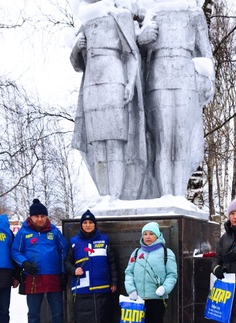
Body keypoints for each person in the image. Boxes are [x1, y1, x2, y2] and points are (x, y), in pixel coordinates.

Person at [137, 0, 214, 198]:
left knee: (181, 140)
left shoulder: (194, 12)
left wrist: (208, 80)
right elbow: (137, 51)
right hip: (158, 76)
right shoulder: (152, 12)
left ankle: (178, 195)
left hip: (185, 76)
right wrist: (142, 39)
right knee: (162, 141)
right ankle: (164, 196)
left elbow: (205, 52)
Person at [70, 0, 146, 200]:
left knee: (114, 141)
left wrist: (130, 83)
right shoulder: (86, 21)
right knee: (97, 143)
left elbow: (131, 55)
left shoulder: (120, 15)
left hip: (114, 77)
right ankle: (104, 195)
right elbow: (77, 65)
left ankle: (116, 195)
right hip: (91, 82)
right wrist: (77, 48)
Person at [11, 199, 71, 323]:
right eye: (36, 216)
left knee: (57, 312)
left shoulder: (54, 232)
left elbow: (64, 251)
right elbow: (15, 251)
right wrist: (24, 263)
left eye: (43, 215)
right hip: (33, 277)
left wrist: (63, 271)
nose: (40, 219)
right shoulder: (23, 232)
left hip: (53, 276)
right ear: (31, 217)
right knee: (34, 313)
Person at [124, 221, 178, 323]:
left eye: (151, 234)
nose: (148, 237)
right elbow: (128, 273)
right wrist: (131, 290)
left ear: (158, 235)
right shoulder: (136, 252)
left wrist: (164, 288)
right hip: (139, 298)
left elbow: (172, 275)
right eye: (145, 234)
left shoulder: (167, 253)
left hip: (157, 298)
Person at [64, 210, 118, 323]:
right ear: (81, 225)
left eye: (90, 222)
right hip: (83, 287)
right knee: (85, 319)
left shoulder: (104, 240)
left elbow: (112, 262)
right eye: (85, 223)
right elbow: (67, 262)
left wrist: (113, 281)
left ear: (95, 224)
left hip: (102, 286)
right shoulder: (74, 242)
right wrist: (74, 270)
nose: (88, 225)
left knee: (101, 319)